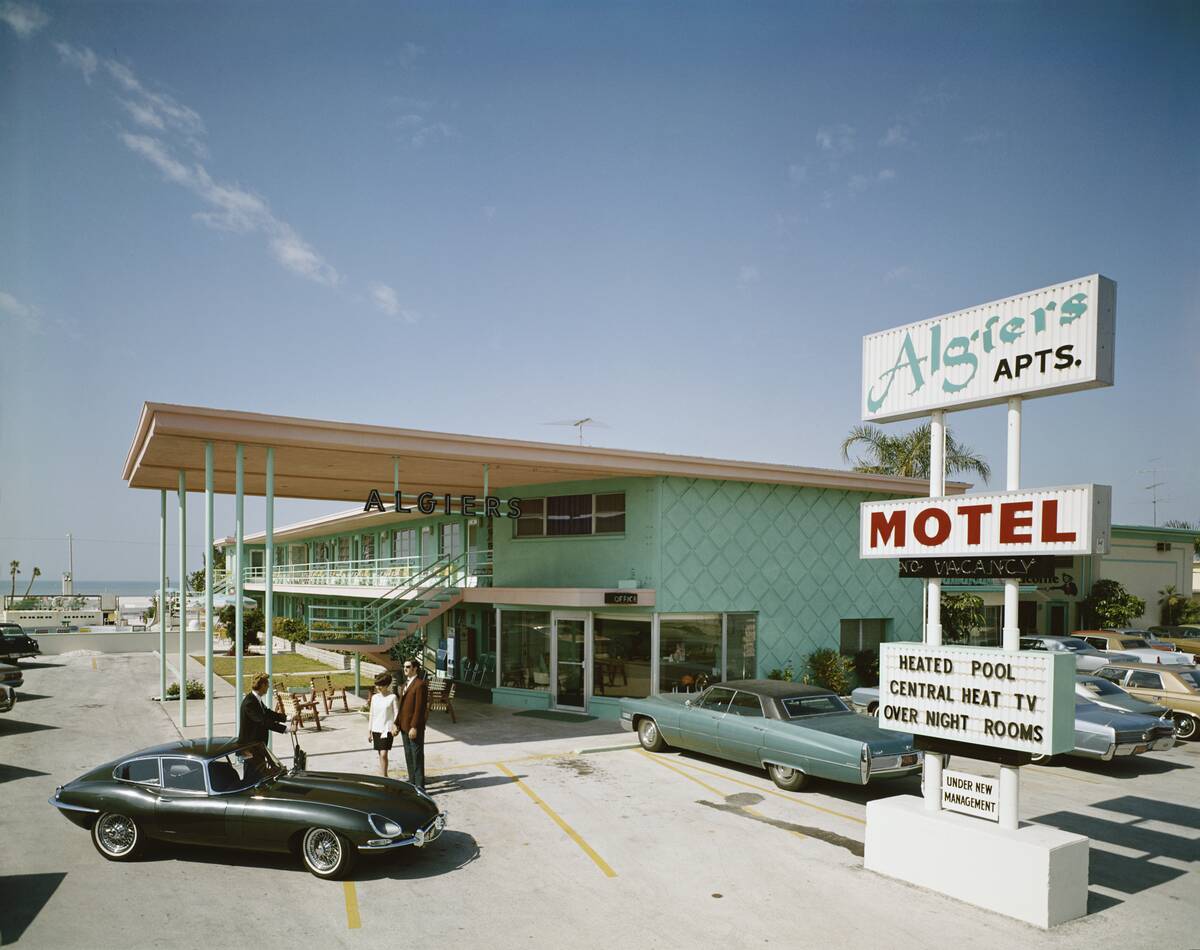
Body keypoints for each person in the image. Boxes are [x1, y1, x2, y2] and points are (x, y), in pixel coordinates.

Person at [395, 659, 429, 790]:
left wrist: (414, 726)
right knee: (408, 754)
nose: (405, 669)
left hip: (414, 728)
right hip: (404, 726)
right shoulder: (405, 685)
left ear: (415, 669)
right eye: (404, 667)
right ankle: (412, 782)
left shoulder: (420, 685)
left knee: (417, 755)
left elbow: (420, 709)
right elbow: (401, 707)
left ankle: (420, 786)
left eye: (408, 667)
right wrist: (396, 723)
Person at [238, 672, 288, 744]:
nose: (268, 687)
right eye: (267, 684)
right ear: (262, 685)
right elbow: (263, 721)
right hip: (250, 747)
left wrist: (287, 718)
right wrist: (286, 729)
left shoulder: (255, 698)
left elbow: (267, 713)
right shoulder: (249, 703)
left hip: (258, 744)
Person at [367, 672, 399, 776]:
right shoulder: (375, 697)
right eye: (377, 685)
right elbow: (372, 714)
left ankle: (385, 776)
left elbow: (397, 714)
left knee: (384, 754)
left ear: (387, 685)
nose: (378, 687)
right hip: (376, 729)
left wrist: (395, 726)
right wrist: (369, 731)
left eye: (381, 685)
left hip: (387, 729)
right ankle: (383, 774)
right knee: (380, 754)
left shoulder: (393, 697)